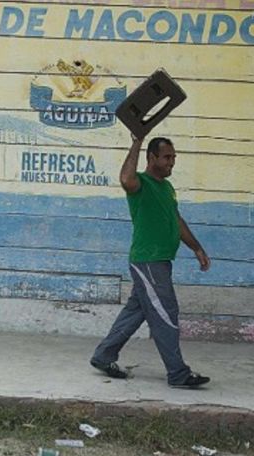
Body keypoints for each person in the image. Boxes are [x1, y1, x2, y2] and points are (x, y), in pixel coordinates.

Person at [90, 135, 212, 388]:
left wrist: (196, 247)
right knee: (165, 313)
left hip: (160, 261)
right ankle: (178, 374)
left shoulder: (166, 188)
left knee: (136, 312)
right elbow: (125, 178)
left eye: (174, 158)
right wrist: (137, 141)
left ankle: (103, 356)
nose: (172, 163)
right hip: (148, 261)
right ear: (152, 157)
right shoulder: (140, 184)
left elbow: (176, 220)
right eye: (167, 157)